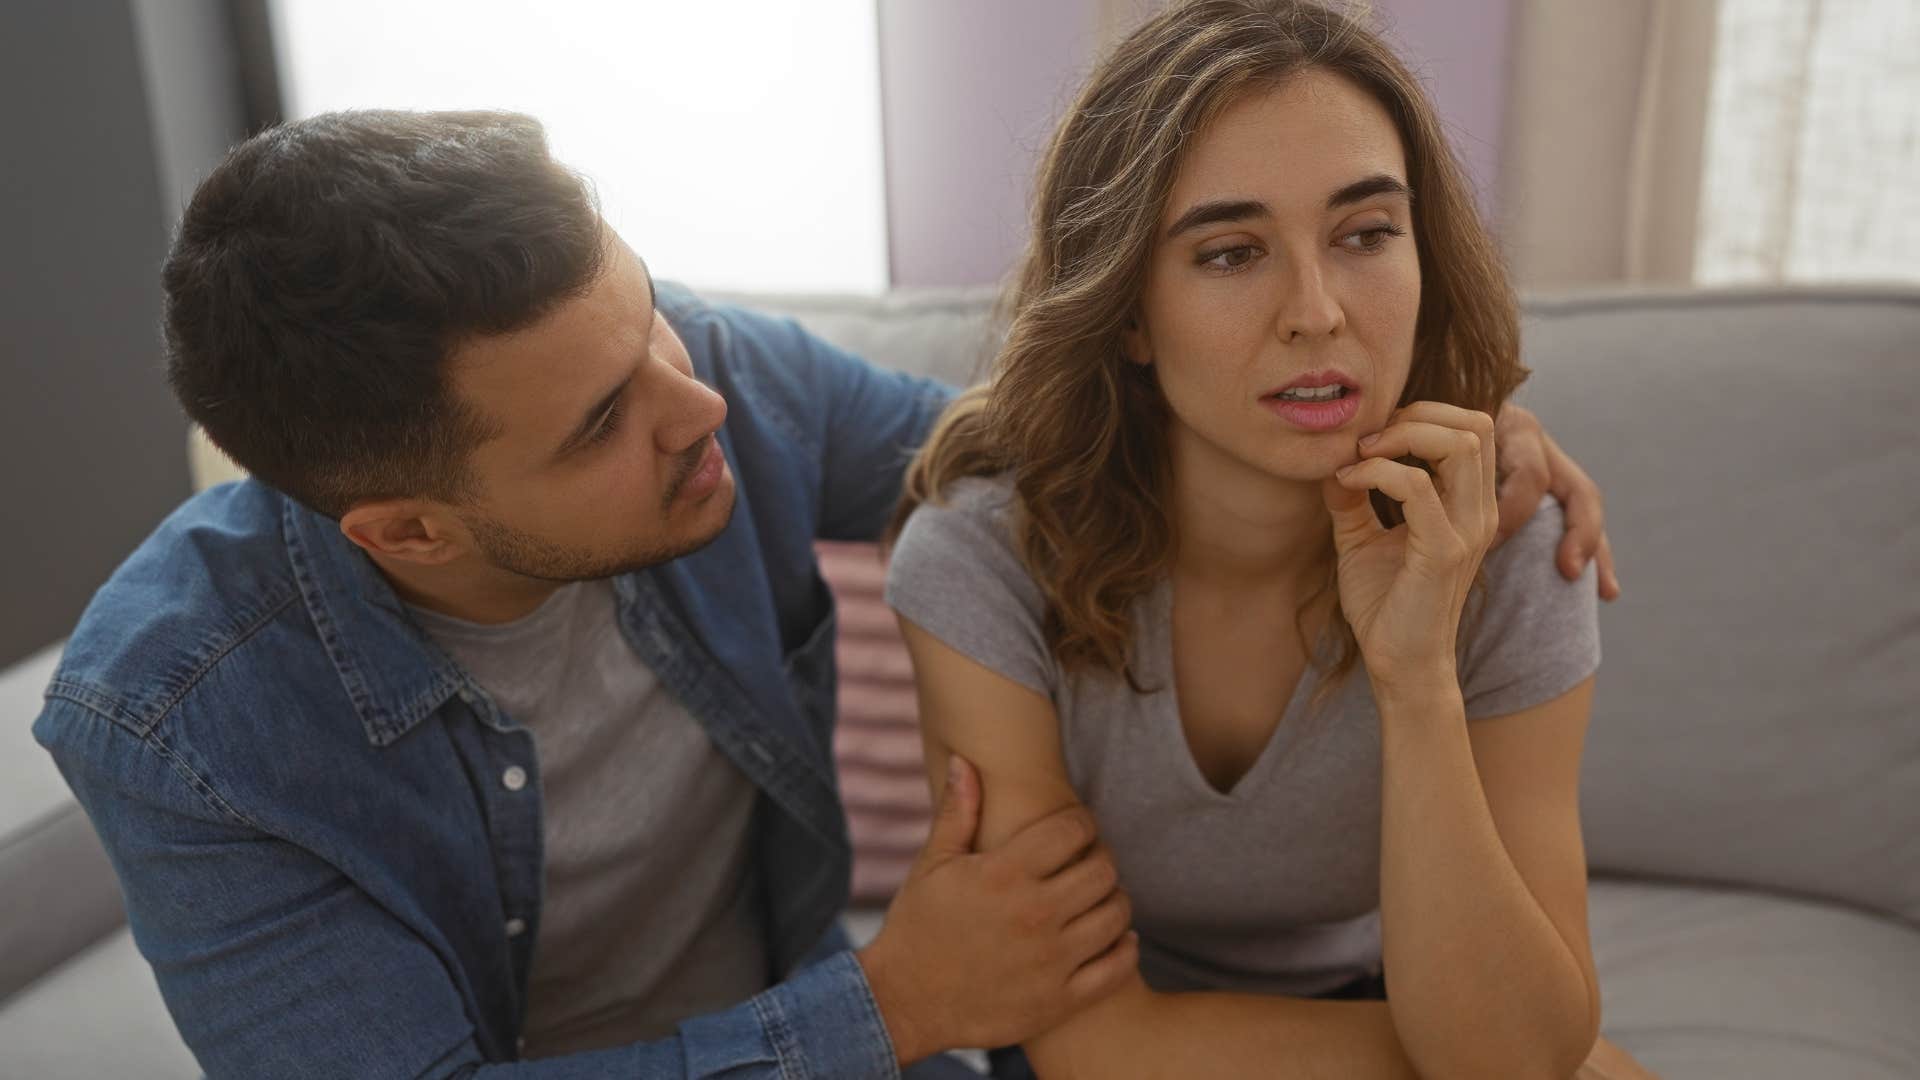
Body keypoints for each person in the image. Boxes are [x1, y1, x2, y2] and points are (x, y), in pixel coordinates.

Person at [32, 107, 1615, 1079]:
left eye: (649, 318)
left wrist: (1393, 418)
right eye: (600, 423)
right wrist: (889, 1008)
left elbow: (1047, 471)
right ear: (409, 530)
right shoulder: (179, 726)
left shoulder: (722, 384)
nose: (695, 402)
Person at [885, 2, 1654, 1078]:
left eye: (1366, 234)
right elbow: (1093, 1044)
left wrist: (1417, 672)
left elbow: (1512, 1052)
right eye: (1231, 252)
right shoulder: (982, 563)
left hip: (1396, 986)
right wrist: (1481, 1059)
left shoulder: (1506, 540)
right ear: (1130, 314)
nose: (1318, 310)